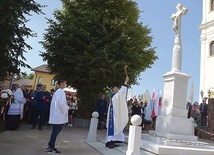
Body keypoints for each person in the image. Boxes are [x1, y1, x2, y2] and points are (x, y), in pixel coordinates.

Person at [46, 79, 71, 154]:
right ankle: (51, 147)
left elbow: (60, 102)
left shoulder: (58, 91)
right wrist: (67, 107)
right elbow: (61, 103)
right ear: (62, 83)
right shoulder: (61, 92)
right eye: (65, 83)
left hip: (57, 114)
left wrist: (66, 102)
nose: (66, 85)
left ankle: (51, 144)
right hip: (58, 114)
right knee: (56, 130)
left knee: (57, 129)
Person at [105, 76, 129, 149]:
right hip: (113, 116)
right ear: (114, 90)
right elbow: (121, 92)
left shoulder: (115, 96)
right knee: (113, 128)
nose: (118, 89)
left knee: (115, 127)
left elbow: (121, 94)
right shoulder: (114, 96)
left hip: (114, 114)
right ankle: (110, 142)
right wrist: (125, 82)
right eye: (116, 88)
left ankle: (111, 141)